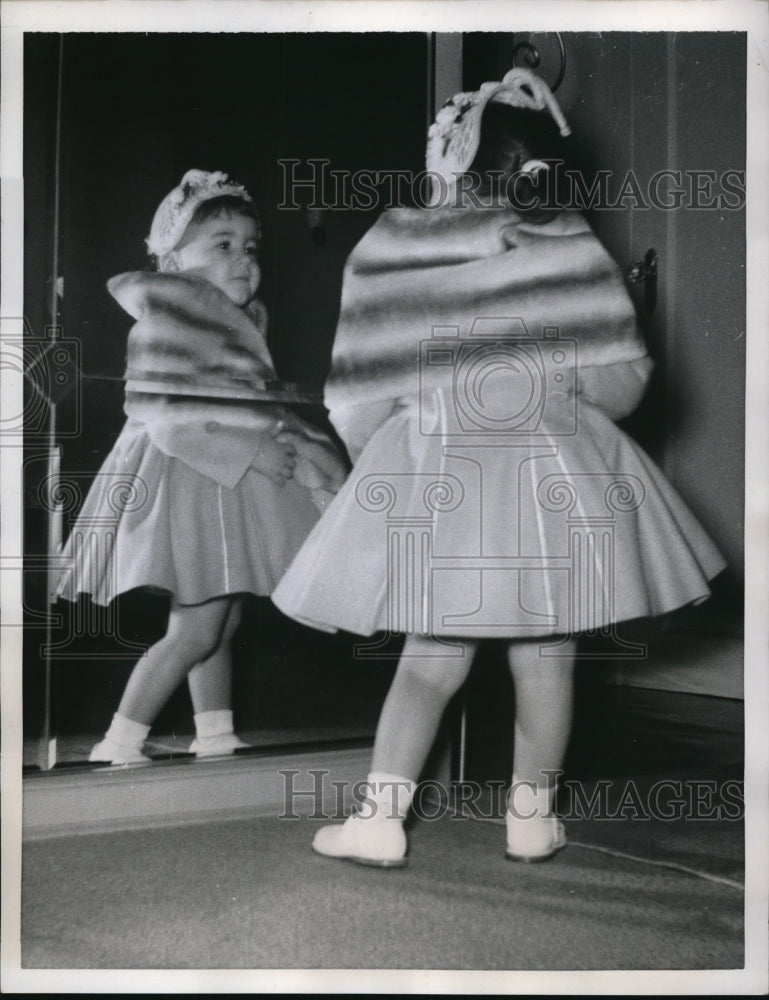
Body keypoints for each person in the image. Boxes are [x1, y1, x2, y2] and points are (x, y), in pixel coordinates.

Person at [272, 69, 726, 866]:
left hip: (440, 474)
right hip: (552, 477)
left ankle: (378, 820)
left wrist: (376, 461)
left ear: (443, 164)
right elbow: (623, 381)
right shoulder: (569, 242)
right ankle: (530, 817)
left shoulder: (394, 245)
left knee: (427, 664)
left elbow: (356, 392)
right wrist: (562, 392)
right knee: (547, 662)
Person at [57, 169, 346, 764]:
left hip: (225, 486)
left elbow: (247, 399)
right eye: (222, 245)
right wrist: (256, 449)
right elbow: (166, 413)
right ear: (173, 260)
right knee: (197, 624)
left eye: (249, 247)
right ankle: (121, 738)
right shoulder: (170, 316)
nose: (243, 259)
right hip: (193, 480)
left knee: (223, 614)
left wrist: (285, 438)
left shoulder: (233, 318)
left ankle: (213, 730)